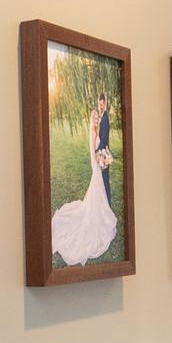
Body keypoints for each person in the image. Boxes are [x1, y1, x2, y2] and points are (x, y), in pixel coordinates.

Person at [52, 107, 118, 266]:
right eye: (94, 119)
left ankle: (100, 210)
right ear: (91, 120)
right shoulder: (93, 133)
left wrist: (103, 157)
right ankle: (98, 215)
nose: (96, 121)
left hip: (96, 166)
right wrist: (103, 160)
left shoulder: (94, 131)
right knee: (97, 189)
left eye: (97, 119)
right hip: (96, 165)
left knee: (97, 190)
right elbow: (94, 154)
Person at [96, 94, 112, 204]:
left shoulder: (105, 118)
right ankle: (105, 203)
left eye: (102, 104)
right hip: (103, 151)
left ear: (105, 103)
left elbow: (104, 138)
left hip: (104, 153)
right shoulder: (103, 116)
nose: (101, 106)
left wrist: (98, 150)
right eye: (100, 104)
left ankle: (108, 204)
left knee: (105, 180)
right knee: (103, 179)